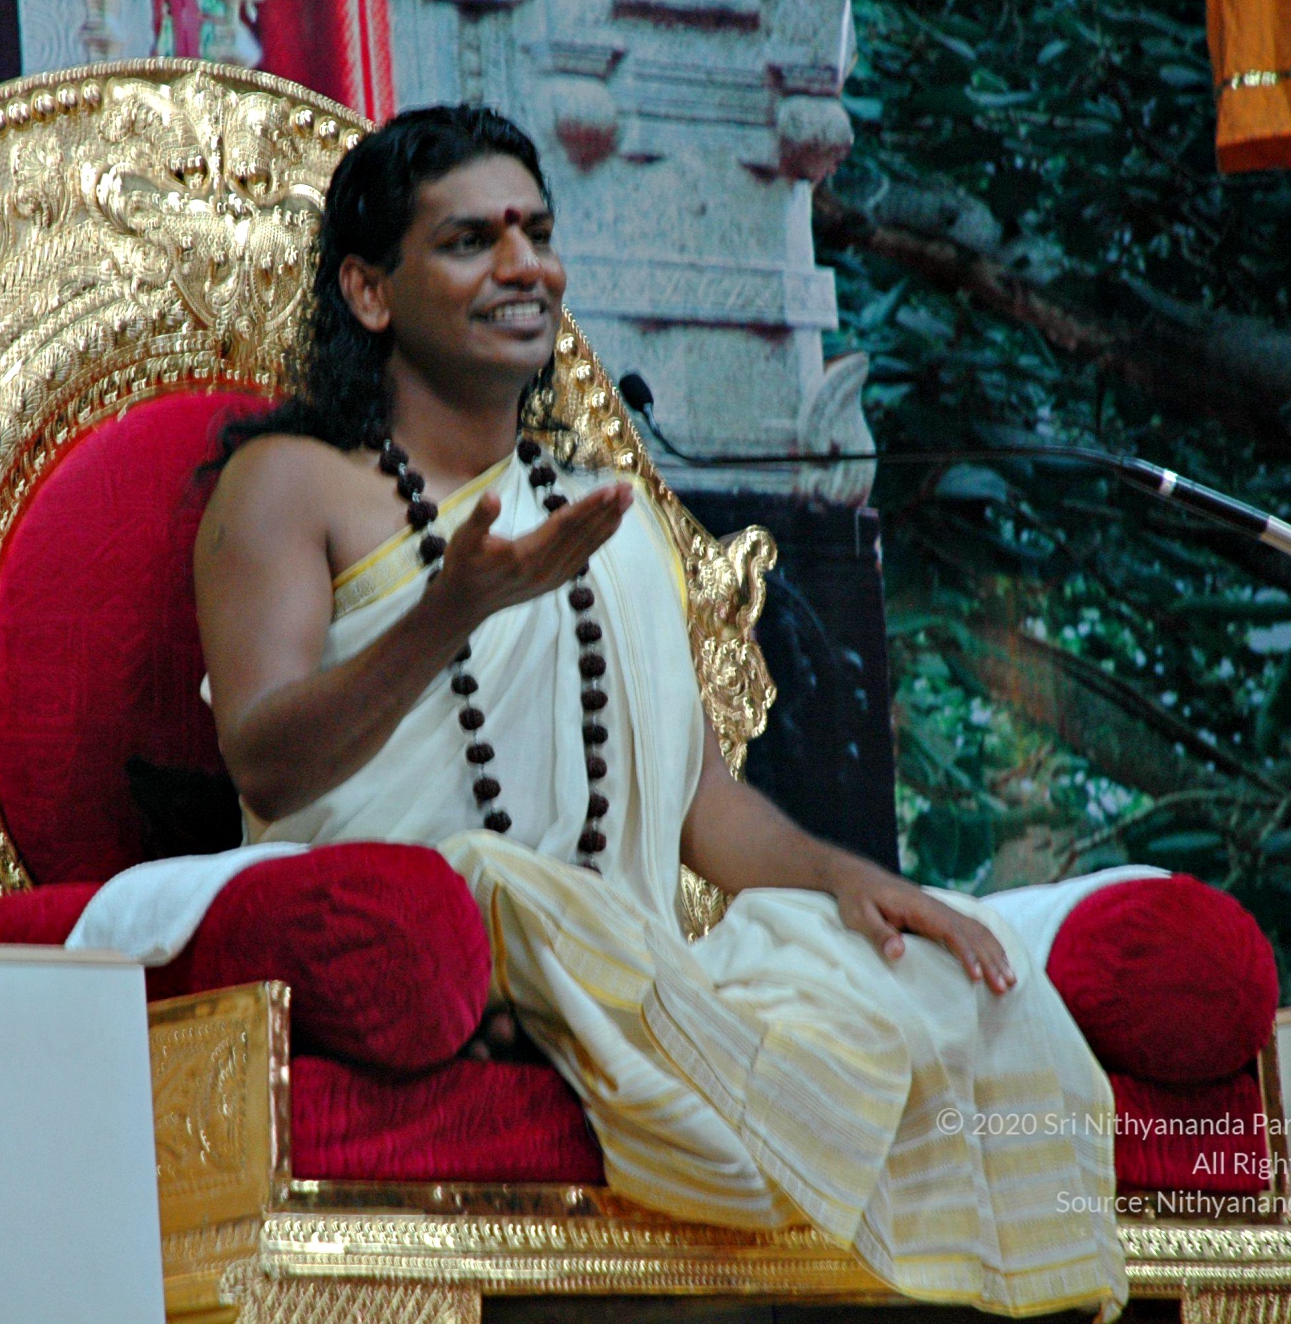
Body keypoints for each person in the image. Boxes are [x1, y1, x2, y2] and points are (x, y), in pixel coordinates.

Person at [191, 105, 1125, 1318]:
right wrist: (447, 612)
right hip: (424, 931)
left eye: (536, 232)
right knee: (508, 894)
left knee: (955, 997)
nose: (523, 267)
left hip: (615, 946)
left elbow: (695, 799)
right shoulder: (289, 484)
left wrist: (843, 879)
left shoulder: (598, 511)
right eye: (470, 241)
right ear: (370, 292)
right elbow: (264, 763)